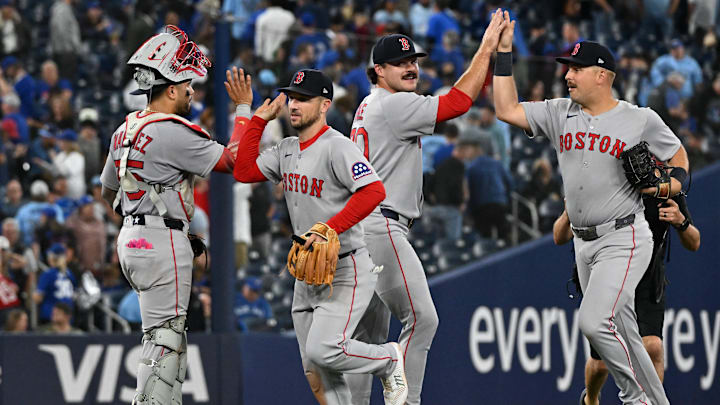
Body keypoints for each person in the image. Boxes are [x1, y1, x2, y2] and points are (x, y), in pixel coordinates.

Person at [492, 10, 690, 405]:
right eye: (568, 68)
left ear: (601, 75)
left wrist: (668, 185)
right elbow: (506, 110)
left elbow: (679, 156)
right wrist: (504, 53)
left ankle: (635, 397)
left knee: (594, 322)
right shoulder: (558, 112)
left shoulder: (639, 119)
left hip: (624, 235)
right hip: (583, 244)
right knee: (624, 330)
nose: (568, 75)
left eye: (577, 69)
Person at [347, 12, 508, 404]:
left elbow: (466, 94)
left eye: (414, 61)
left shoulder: (373, 104)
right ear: (378, 70)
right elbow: (458, 102)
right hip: (382, 226)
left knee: (365, 339)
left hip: (364, 227)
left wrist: (493, 61)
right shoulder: (393, 105)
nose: (411, 67)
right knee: (422, 319)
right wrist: (487, 48)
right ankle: (407, 400)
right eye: (400, 63)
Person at [234, 69, 408, 405]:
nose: (294, 105)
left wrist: (331, 227)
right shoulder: (286, 149)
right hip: (306, 272)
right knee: (315, 371)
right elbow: (243, 171)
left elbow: (373, 191)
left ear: (325, 104)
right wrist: (256, 119)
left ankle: (387, 359)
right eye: (292, 98)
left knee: (324, 350)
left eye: (304, 99)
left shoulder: (337, 146)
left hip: (345, 267)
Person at [100, 25, 252, 405]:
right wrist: (245, 111)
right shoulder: (172, 129)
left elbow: (108, 190)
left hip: (131, 240)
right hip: (159, 241)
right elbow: (233, 160)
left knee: (168, 340)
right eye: (187, 86)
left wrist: (145, 213)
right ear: (170, 89)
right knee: (164, 342)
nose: (192, 93)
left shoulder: (125, 129)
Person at [554, 192, 700, 405]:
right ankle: (591, 399)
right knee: (600, 364)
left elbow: (694, 242)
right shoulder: (605, 184)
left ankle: (647, 401)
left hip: (648, 277)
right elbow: (559, 237)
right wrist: (570, 212)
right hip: (610, 272)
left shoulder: (666, 189)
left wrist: (681, 222)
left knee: (653, 346)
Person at [34, 243, 76, 324]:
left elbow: (37, 297)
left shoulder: (48, 274)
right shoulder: (69, 274)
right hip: (68, 317)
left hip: (51, 316)